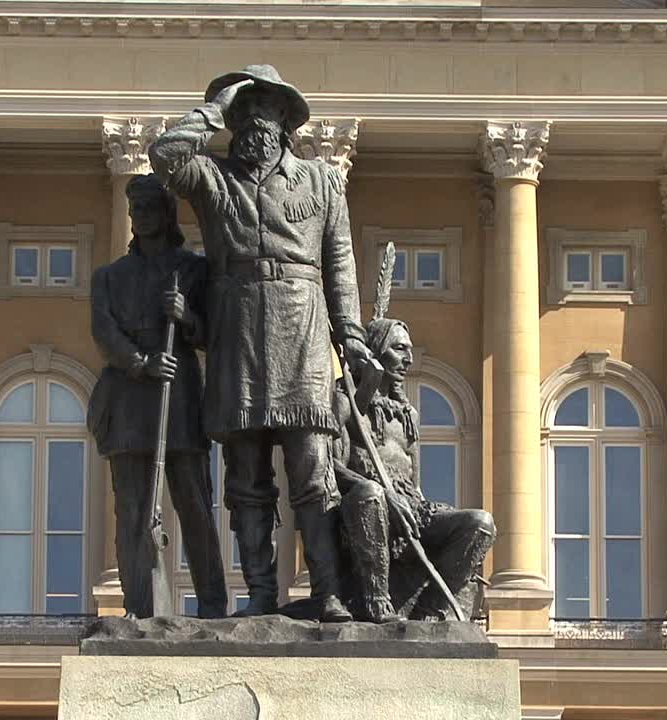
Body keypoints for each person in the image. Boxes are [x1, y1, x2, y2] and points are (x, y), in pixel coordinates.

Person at [149, 65, 373, 621]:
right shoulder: (212, 177)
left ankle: (327, 590)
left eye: (263, 109)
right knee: (246, 477)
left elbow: (338, 263)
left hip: (302, 323)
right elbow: (164, 157)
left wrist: (349, 332)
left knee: (312, 469)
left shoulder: (321, 180)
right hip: (237, 327)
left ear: (285, 120)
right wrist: (214, 108)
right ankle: (262, 592)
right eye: (242, 112)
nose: (252, 121)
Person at [86, 174, 228, 619]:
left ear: (168, 215)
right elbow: (104, 332)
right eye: (136, 210)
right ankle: (141, 606)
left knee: (194, 503)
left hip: (178, 392)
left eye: (149, 208)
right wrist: (139, 362)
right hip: (128, 396)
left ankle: (211, 603)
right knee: (132, 510)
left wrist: (186, 318)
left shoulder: (192, 270)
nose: (140, 217)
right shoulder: (109, 277)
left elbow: (215, 334)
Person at [333, 308, 495, 622]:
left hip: (408, 509)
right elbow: (331, 469)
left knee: (480, 523)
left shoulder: (409, 415)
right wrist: (384, 494)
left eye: (409, 350)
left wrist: (417, 507)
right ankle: (377, 602)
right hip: (362, 508)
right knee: (370, 495)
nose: (408, 359)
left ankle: (428, 612)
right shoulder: (345, 402)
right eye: (399, 349)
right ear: (375, 354)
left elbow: (414, 480)